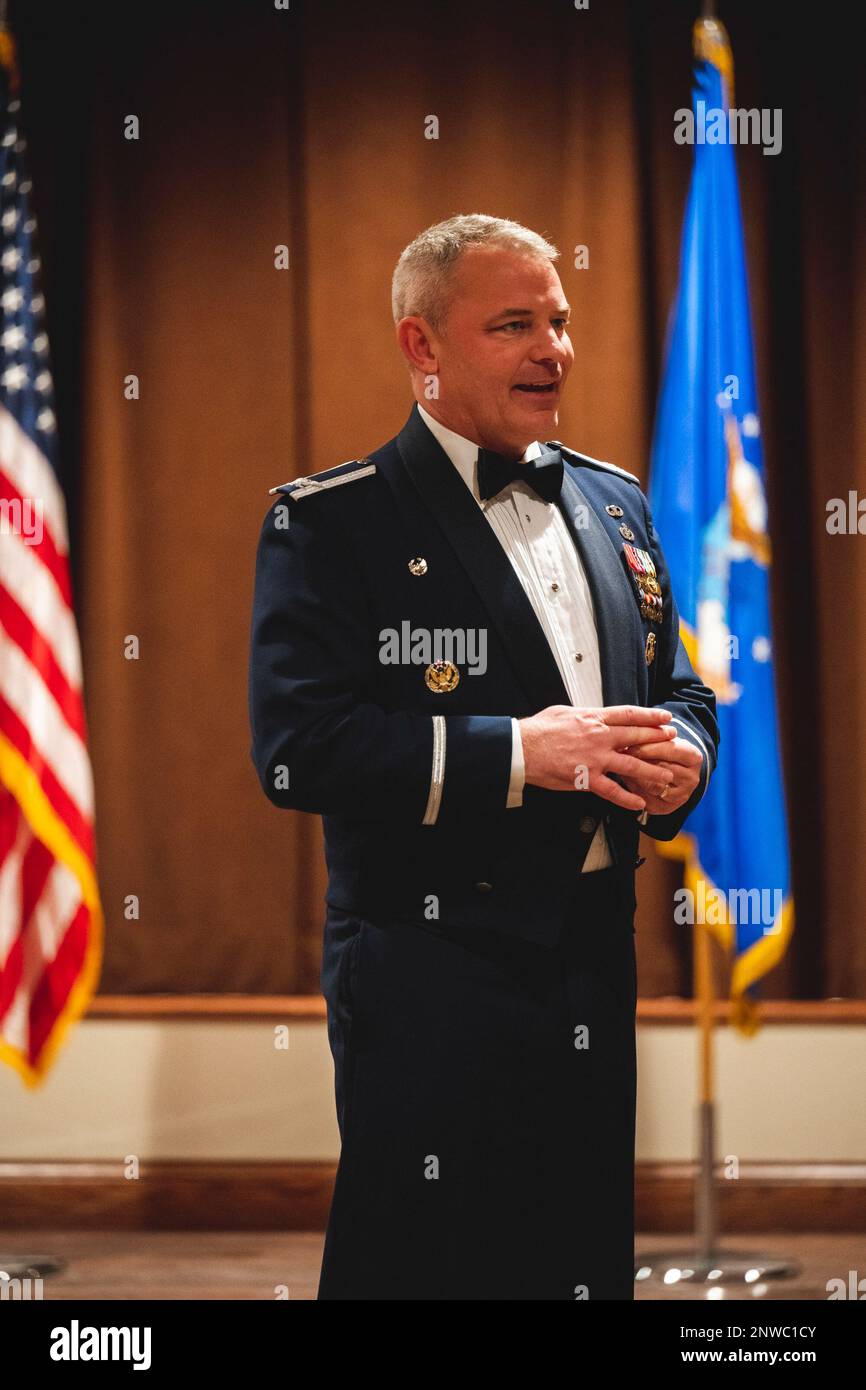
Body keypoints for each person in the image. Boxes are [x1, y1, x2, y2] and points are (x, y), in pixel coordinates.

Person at [248, 213, 719, 1300]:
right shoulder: (331, 523)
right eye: (513, 325)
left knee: (578, 1260)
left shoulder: (616, 502)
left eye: (558, 321)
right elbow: (298, 750)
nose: (552, 349)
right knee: (420, 1265)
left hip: (595, 954)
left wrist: (683, 751)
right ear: (422, 347)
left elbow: (675, 687)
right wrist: (516, 751)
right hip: (429, 966)